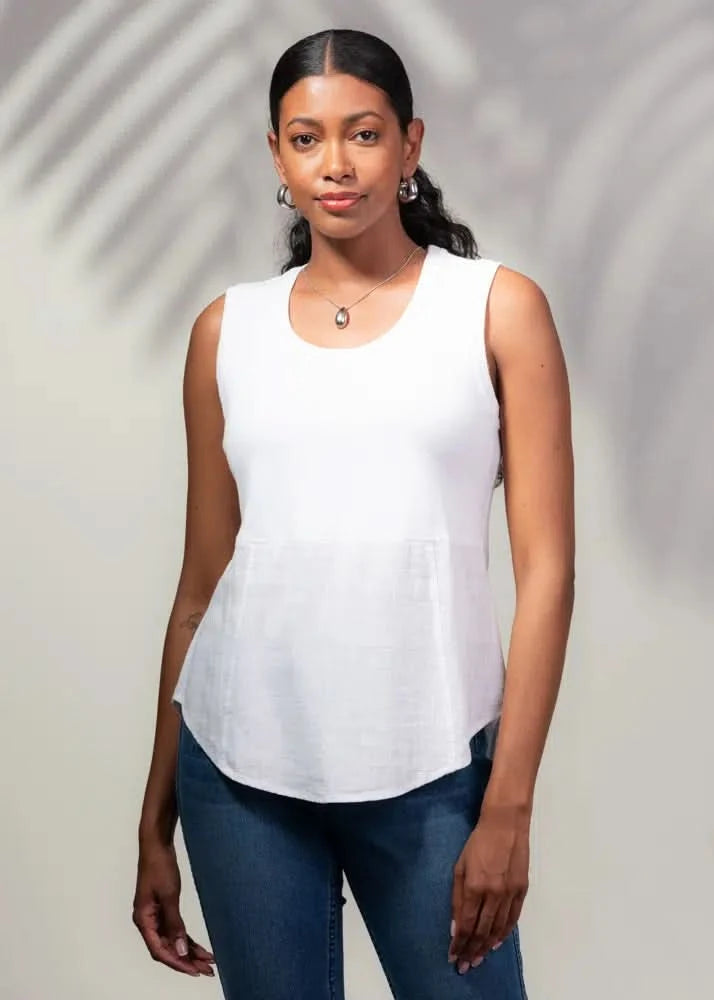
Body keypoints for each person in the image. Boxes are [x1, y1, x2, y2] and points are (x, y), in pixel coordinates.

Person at [132, 27, 575, 1000]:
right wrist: (152, 821)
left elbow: (547, 573)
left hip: (432, 771)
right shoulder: (226, 330)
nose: (335, 164)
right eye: (306, 138)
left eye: (363, 134)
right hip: (240, 776)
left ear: (410, 145)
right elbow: (201, 590)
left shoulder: (496, 310)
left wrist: (509, 804)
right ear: (276, 155)